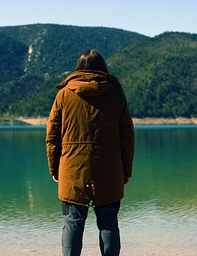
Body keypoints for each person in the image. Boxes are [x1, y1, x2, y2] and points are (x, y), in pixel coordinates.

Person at [46, 49, 135, 256]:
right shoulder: (115, 93)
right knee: (108, 223)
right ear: (103, 67)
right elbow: (127, 137)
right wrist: (126, 170)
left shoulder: (64, 94)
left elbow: (52, 137)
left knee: (72, 223)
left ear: (78, 68)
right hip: (110, 170)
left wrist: (54, 168)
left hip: (72, 169)